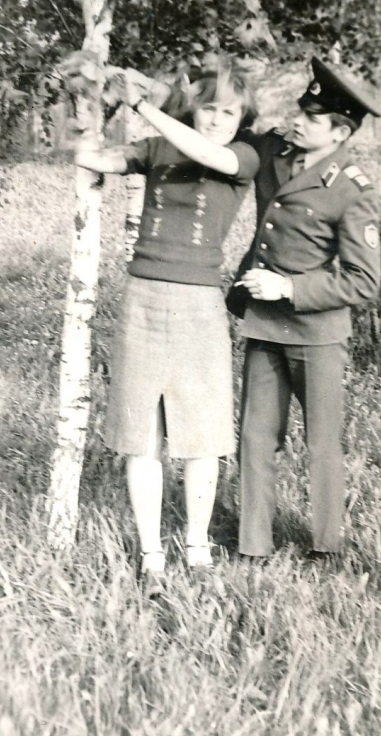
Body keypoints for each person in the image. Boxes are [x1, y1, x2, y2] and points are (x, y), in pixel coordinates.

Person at [73, 61, 259, 577]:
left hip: (200, 305)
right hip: (144, 299)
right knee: (142, 434)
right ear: (194, 108)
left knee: (203, 435)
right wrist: (85, 98)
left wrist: (142, 106)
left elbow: (207, 153)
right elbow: (93, 157)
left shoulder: (244, 155)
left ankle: (197, 548)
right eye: (209, 108)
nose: (217, 119)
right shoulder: (157, 147)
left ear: (242, 119)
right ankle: (151, 553)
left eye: (229, 112)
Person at [227, 56, 381, 560]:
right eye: (299, 110)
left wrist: (288, 288)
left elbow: (363, 280)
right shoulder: (275, 150)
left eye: (311, 118)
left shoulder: (351, 189)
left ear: (339, 132)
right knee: (255, 437)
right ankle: (253, 545)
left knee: (322, 444)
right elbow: (230, 132)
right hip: (264, 324)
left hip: (317, 334)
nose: (296, 121)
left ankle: (327, 546)